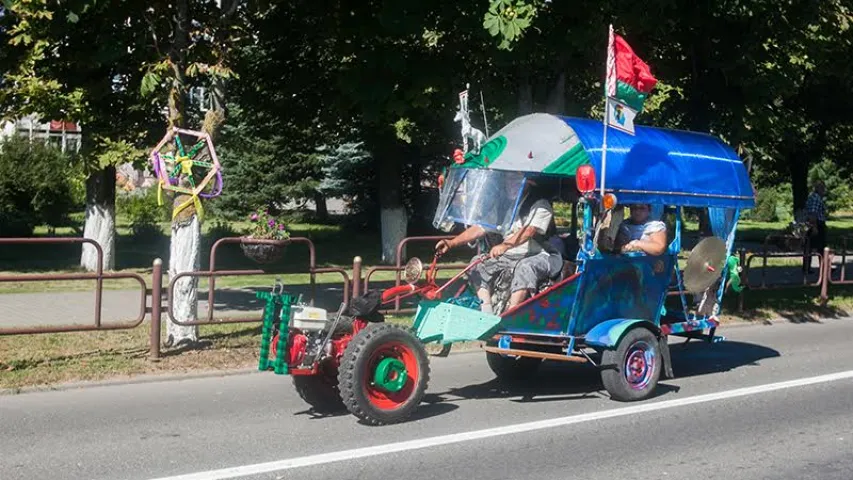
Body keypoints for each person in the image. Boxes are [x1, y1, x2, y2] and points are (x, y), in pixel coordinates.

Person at [435, 178, 562, 314]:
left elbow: (529, 231)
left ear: (528, 183)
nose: (510, 184)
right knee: (477, 264)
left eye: (516, 181)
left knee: (525, 267)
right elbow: (481, 227)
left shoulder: (540, 204)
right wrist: (451, 243)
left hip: (537, 255)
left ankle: (511, 314)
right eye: (508, 181)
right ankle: (486, 311)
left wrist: (506, 245)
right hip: (509, 255)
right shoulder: (504, 206)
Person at [804, 180, 828, 274]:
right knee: (820, 247)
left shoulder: (812, 197)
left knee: (810, 246)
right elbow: (813, 214)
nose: (824, 191)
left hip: (813, 224)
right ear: (819, 189)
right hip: (817, 224)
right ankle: (824, 269)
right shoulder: (816, 198)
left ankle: (808, 268)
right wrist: (814, 227)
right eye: (823, 188)